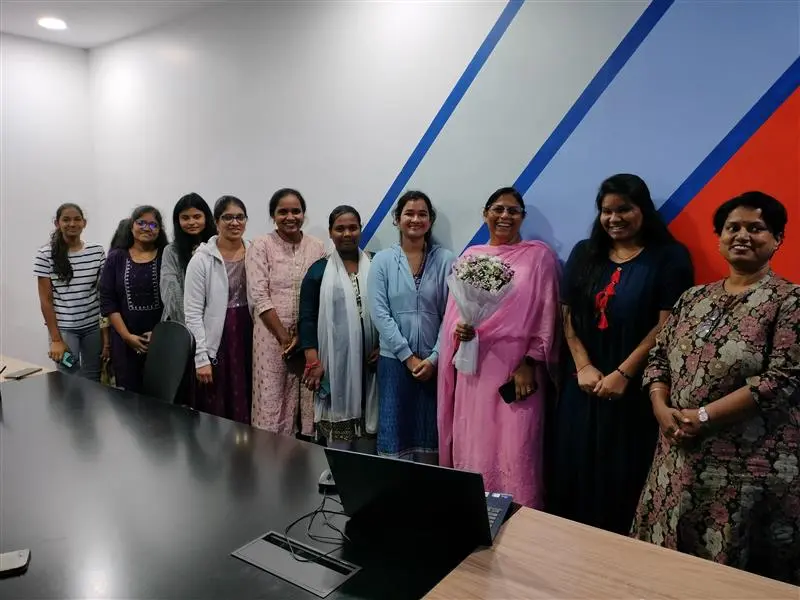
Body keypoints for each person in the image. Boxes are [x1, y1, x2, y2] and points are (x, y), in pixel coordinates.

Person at [632, 191, 799, 584]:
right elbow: (658, 357)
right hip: (676, 459)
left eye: (755, 228)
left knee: (726, 578)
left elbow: (783, 379)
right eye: (732, 228)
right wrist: (660, 405)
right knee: (665, 574)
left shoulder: (788, 301)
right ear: (719, 237)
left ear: (778, 239)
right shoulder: (693, 298)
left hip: (746, 469)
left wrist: (703, 416)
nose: (742, 235)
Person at [548, 174, 694, 534]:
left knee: (623, 475)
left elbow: (667, 325)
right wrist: (583, 365)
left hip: (635, 388)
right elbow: (566, 315)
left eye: (624, 209)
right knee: (574, 467)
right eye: (606, 211)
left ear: (642, 209)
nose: (614, 218)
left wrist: (624, 373)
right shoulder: (585, 252)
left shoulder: (670, 257)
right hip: (582, 383)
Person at [437, 188, 560, 508]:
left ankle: (521, 516)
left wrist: (530, 362)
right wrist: (459, 331)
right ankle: (474, 512)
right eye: (498, 209)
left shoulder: (538, 257)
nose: (505, 216)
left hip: (517, 369)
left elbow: (547, 316)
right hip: (474, 368)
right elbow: (452, 317)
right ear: (485, 213)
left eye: (514, 211)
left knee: (517, 444)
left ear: (522, 217)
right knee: (475, 439)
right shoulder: (469, 257)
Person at [367, 191, 454, 463]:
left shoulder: (447, 260)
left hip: (434, 364)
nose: (415, 219)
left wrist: (435, 358)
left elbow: (451, 315)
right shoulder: (381, 260)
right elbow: (380, 314)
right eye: (409, 214)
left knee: (429, 436)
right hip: (394, 361)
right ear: (397, 219)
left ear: (430, 220)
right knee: (395, 433)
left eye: (422, 214)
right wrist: (407, 357)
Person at [299, 206, 380, 452]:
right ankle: (340, 480)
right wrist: (313, 361)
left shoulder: (377, 264)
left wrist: (383, 347)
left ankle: (368, 480)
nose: (347, 233)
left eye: (353, 227)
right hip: (335, 363)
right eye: (340, 228)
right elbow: (307, 318)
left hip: (372, 363)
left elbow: (390, 311)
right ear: (331, 233)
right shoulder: (318, 271)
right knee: (339, 438)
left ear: (360, 230)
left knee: (371, 430)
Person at [246, 188, 326, 436]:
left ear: (304, 214)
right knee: (270, 400)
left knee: (306, 399)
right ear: (273, 215)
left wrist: (302, 337)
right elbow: (259, 295)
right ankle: (268, 463)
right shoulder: (261, 245)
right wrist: (284, 338)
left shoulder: (317, 247)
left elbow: (321, 293)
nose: (290, 217)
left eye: (296, 211)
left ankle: (301, 461)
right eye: (283, 212)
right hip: (270, 337)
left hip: (307, 338)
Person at [184, 196, 252, 423]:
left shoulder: (255, 252)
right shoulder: (202, 259)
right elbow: (192, 312)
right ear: (216, 221)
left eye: (240, 217)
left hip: (249, 333)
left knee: (249, 395)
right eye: (228, 217)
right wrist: (201, 358)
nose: (234, 223)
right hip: (218, 339)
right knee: (219, 401)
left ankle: (248, 454)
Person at [34, 203, 107, 380]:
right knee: (68, 379)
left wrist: (106, 335)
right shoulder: (44, 255)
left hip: (92, 327)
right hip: (65, 331)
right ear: (57, 223)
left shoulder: (97, 251)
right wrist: (56, 340)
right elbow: (46, 300)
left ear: (84, 223)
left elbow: (103, 294)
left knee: (93, 378)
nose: (72, 224)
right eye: (66, 220)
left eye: (77, 219)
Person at [99, 206, 167, 392]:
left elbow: (175, 301)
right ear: (131, 227)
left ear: (160, 230)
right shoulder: (116, 258)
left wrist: (159, 335)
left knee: (162, 399)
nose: (147, 228)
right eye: (141, 223)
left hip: (162, 341)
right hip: (124, 341)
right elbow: (107, 300)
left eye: (153, 224)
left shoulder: (167, 256)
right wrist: (127, 336)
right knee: (129, 402)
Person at [160, 193, 216, 323]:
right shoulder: (171, 251)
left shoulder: (218, 246)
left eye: (197, 217)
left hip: (217, 324)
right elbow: (171, 294)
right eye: (185, 218)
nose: (191, 222)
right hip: (182, 324)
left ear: (206, 218)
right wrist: (193, 326)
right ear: (178, 221)